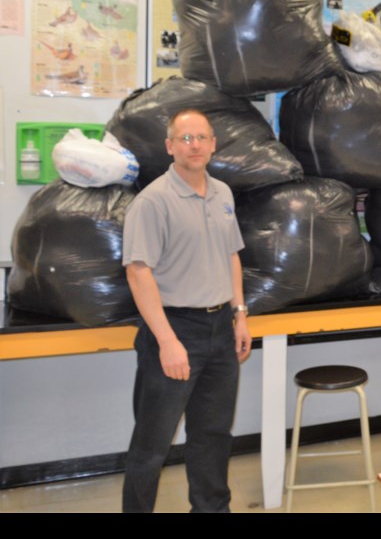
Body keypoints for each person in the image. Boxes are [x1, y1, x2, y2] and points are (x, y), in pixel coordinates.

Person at [121, 108, 252, 513]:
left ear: (213, 145)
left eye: (202, 138)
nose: (194, 145)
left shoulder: (222, 193)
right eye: (185, 138)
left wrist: (240, 314)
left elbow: (231, 256)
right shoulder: (153, 201)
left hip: (220, 329)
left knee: (213, 435)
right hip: (174, 329)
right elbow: (138, 273)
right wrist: (167, 342)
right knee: (152, 444)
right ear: (170, 147)